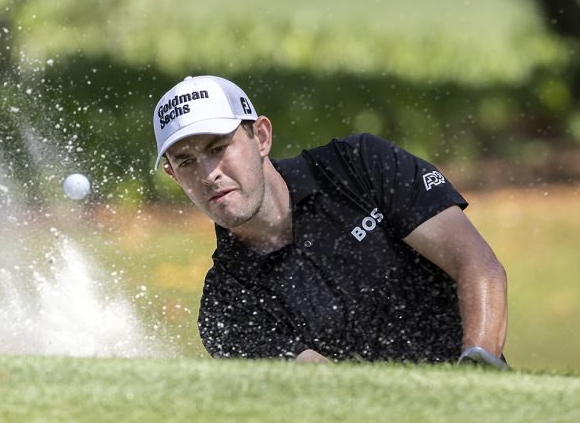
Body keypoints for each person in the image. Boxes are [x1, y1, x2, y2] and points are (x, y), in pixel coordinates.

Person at [152, 75, 508, 367]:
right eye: (186, 162)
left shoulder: (360, 165)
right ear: (172, 174)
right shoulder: (226, 308)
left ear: (260, 137)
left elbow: (477, 265)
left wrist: (477, 374)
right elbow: (325, 386)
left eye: (218, 148)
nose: (208, 174)